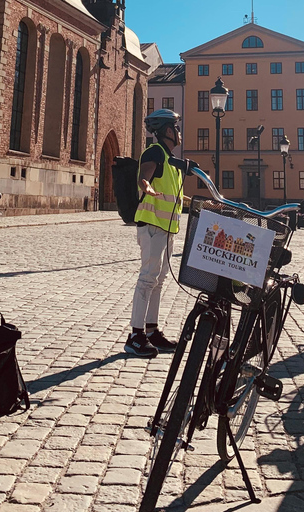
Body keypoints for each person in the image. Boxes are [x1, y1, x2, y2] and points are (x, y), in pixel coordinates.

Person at [125, 109, 191, 358]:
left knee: (159, 280)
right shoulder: (155, 152)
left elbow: (173, 195)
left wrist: (199, 202)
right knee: (147, 278)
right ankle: (135, 335)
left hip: (167, 229)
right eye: (177, 127)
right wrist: (146, 186)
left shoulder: (171, 159)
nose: (179, 132)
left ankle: (152, 331)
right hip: (152, 226)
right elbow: (145, 177)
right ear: (166, 130)